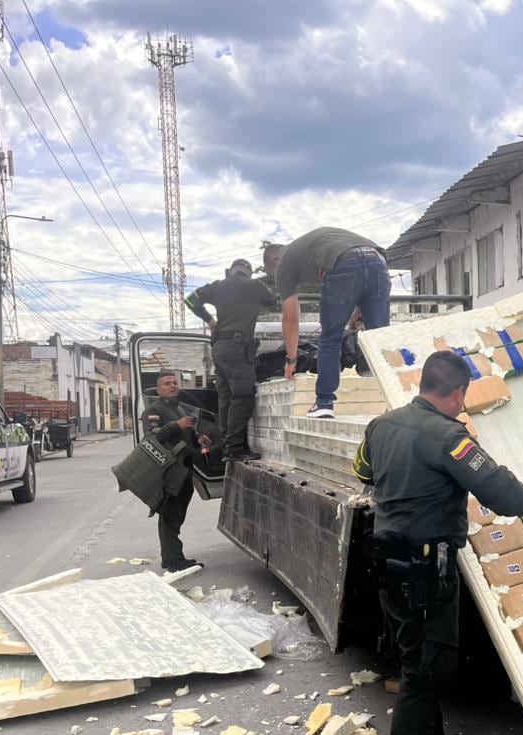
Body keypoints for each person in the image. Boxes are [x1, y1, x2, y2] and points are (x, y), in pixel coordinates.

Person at [353, 350, 523, 735]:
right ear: (457, 392)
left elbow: (363, 473)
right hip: (423, 565)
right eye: (463, 397)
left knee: (411, 652)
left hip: (387, 558)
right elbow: (500, 492)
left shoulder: (381, 425)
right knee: (425, 671)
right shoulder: (450, 437)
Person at [264, 227, 390, 419]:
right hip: (378, 261)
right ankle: (393, 402)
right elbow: (363, 269)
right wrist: (360, 309)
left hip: (343, 262)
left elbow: (290, 319)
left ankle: (324, 403)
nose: (278, 279)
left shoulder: (284, 264)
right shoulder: (312, 247)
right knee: (379, 338)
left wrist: (291, 360)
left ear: (275, 261)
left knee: (331, 337)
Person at [184, 258, 277, 461]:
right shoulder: (254, 285)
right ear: (249, 272)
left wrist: (210, 320)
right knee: (242, 396)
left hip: (219, 348)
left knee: (225, 397)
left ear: (230, 271)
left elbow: (190, 300)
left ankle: (227, 446)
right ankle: (235, 448)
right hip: (237, 348)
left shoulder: (218, 286)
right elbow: (272, 301)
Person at [142, 370, 211, 572]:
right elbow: (152, 438)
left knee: (177, 514)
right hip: (169, 471)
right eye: (167, 383)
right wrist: (176, 425)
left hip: (184, 470)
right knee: (169, 514)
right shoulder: (154, 411)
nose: (172, 386)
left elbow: (187, 438)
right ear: (158, 389)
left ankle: (175, 556)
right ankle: (172, 560)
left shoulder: (180, 408)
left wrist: (200, 441)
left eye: (174, 382)